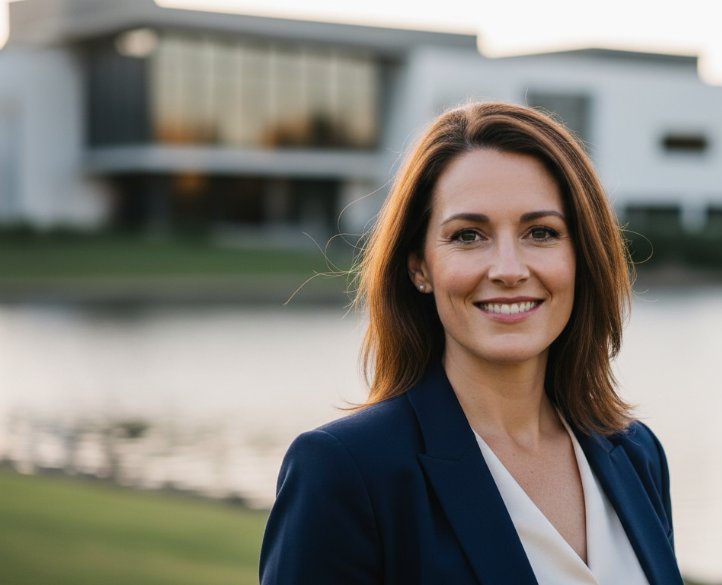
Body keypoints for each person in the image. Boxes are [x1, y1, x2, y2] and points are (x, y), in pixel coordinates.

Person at [259, 101, 684, 585]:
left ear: (581, 255)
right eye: (468, 236)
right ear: (419, 266)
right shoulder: (345, 471)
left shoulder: (635, 453)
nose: (508, 269)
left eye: (541, 232)